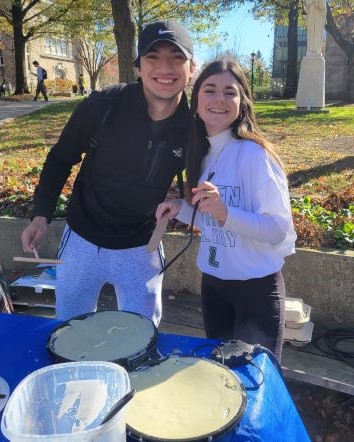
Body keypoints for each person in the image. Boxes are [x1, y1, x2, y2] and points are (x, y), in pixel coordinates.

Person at [21, 20, 195, 326]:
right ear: (139, 67)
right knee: (69, 330)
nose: (164, 69)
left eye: (176, 58)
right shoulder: (103, 106)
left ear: (191, 68)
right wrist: (41, 214)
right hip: (82, 242)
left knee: (142, 339)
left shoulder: (196, 129)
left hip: (142, 249)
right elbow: (60, 158)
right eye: (153, 57)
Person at [156, 59, 296, 360]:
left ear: (242, 102)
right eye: (209, 90)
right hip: (214, 287)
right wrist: (178, 207)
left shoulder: (255, 154)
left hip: (255, 291)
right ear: (196, 102)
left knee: (254, 381)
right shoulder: (203, 155)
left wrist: (225, 213)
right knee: (221, 377)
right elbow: (210, 219)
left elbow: (278, 229)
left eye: (229, 92)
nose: (219, 99)